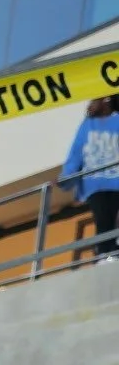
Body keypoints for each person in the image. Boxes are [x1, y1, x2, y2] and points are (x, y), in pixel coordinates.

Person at [60, 95, 119, 258]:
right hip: (95, 185)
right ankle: (104, 254)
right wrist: (65, 179)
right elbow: (75, 155)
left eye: (95, 101)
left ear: (106, 101)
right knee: (103, 220)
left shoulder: (117, 121)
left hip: (116, 182)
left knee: (114, 219)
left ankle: (112, 251)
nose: (90, 105)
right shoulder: (86, 126)